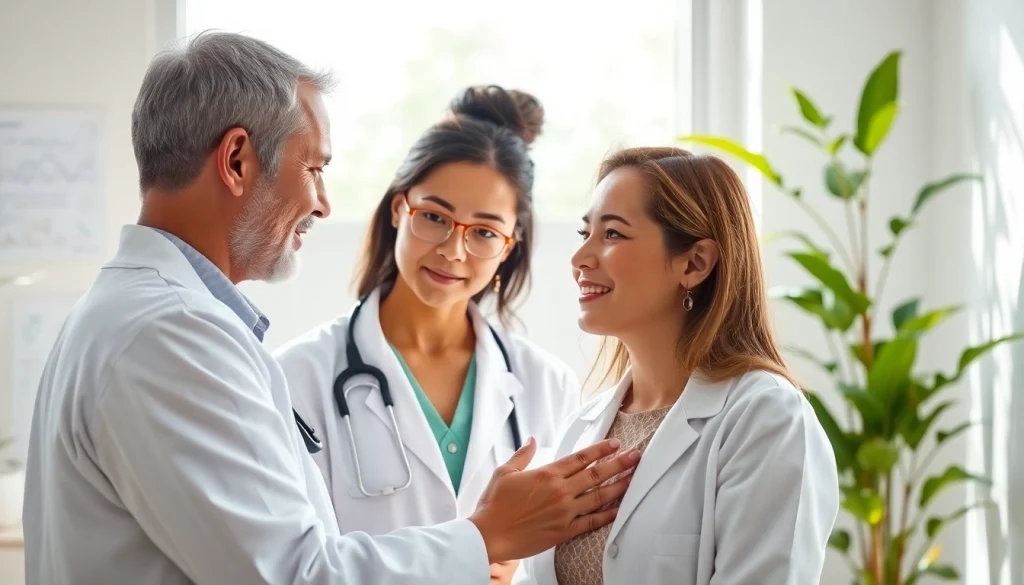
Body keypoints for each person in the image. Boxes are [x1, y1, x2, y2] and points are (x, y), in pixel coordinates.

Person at [22, 32, 642, 585]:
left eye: (485, 230)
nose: (322, 203)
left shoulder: (138, 316)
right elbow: (297, 574)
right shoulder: (171, 335)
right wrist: (483, 538)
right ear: (237, 160)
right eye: (313, 167)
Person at [275, 84, 576, 585]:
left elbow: (561, 558)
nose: (453, 250)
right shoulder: (297, 376)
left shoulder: (549, 384)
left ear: (509, 245)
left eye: (483, 231)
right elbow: (292, 565)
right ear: (399, 210)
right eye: (434, 217)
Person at [518, 147, 840, 585]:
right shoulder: (584, 424)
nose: (580, 260)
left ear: (694, 263)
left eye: (612, 234)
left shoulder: (766, 419)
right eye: (584, 232)